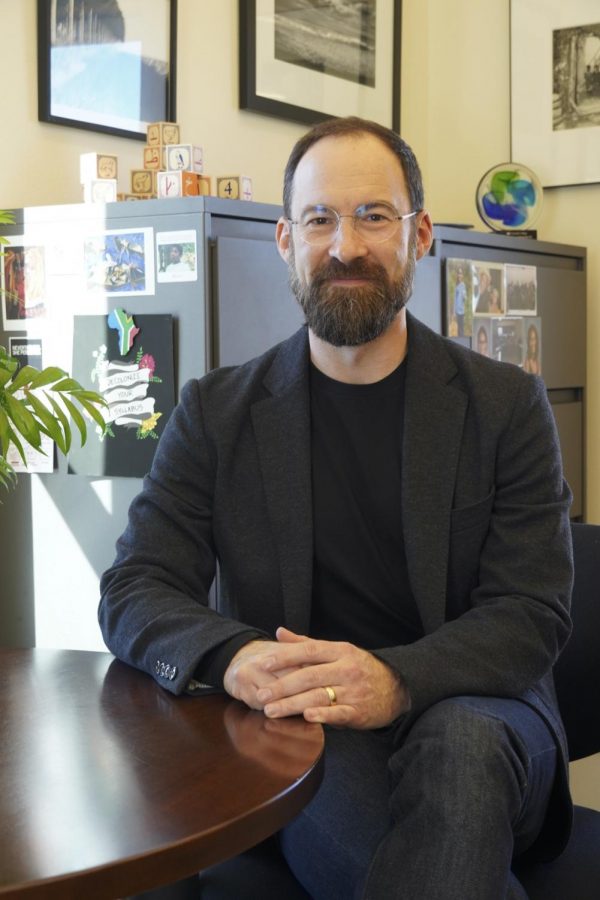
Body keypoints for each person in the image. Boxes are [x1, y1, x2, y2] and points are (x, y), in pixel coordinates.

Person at [99, 116, 573, 900]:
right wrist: (238, 659)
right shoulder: (217, 413)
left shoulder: (505, 406)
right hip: (308, 725)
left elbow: (531, 613)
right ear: (286, 242)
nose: (344, 245)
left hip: (481, 717)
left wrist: (392, 678)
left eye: (373, 216)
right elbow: (135, 586)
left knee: (457, 748)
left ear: (420, 235)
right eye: (319, 218)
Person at [452, 265, 467, 336]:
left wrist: (464, 296)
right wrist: (454, 312)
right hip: (457, 311)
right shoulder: (456, 286)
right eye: (459, 273)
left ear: (462, 275)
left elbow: (465, 299)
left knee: (462, 328)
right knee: (458, 329)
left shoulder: (463, 285)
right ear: (457, 275)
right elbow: (455, 299)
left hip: (462, 310)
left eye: (461, 273)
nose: (460, 275)